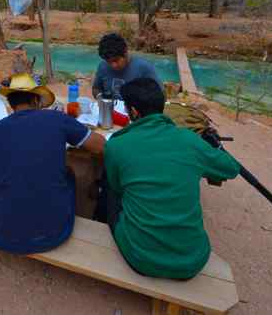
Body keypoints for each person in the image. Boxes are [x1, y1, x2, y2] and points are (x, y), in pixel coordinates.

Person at [102, 78, 241, 279]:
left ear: (133, 112)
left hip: (140, 258)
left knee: (110, 189)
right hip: (192, 260)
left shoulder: (117, 144)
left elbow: (117, 187)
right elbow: (231, 168)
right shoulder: (190, 140)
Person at [0, 73, 106, 254]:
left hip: (5, 236)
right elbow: (100, 146)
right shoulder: (58, 119)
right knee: (68, 175)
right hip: (58, 232)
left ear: (11, 104)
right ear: (36, 101)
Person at [92, 33, 159, 99]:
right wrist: (101, 99)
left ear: (125, 51)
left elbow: (160, 95)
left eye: (116, 60)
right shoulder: (103, 67)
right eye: (108, 62)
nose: (113, 65)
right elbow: (96, 88)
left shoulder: (144, 68)